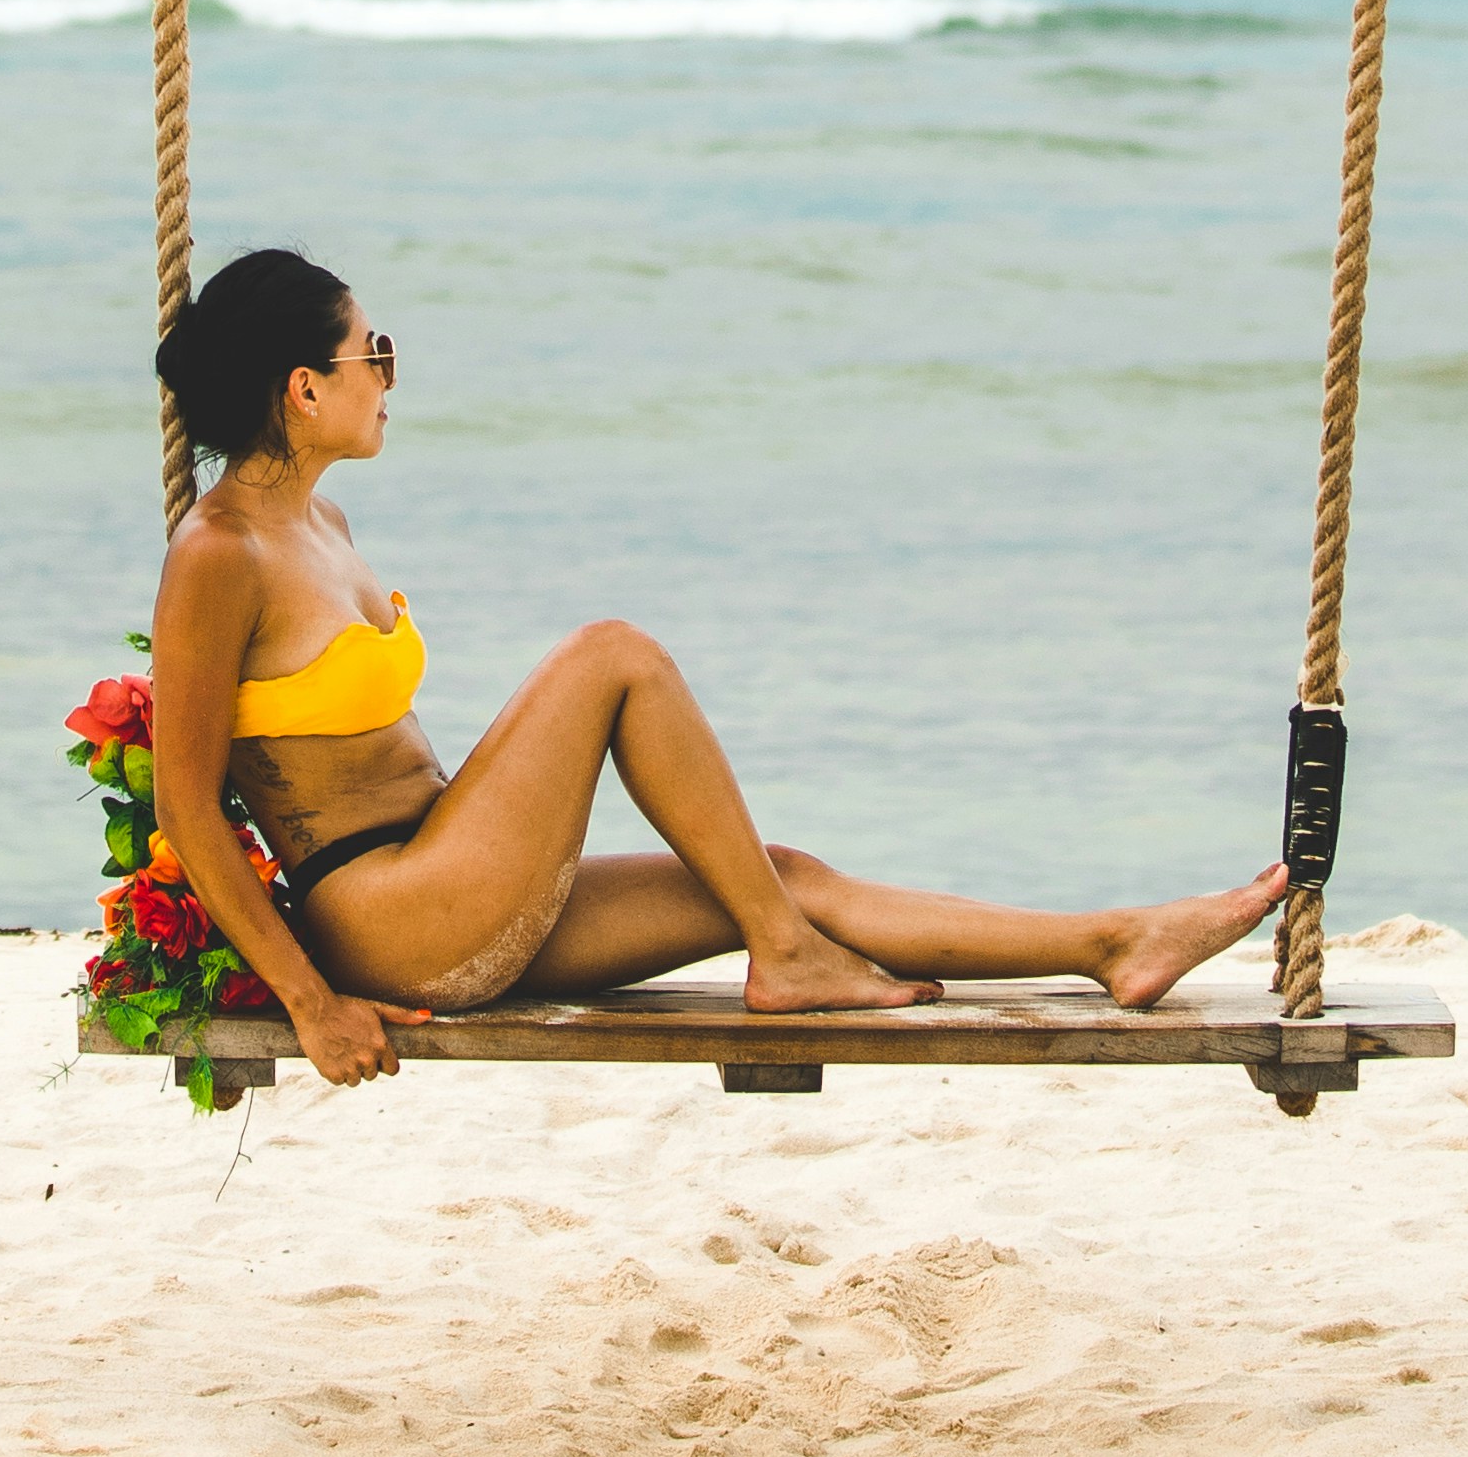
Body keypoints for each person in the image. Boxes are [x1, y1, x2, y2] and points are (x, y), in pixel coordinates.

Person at [144, 243, 1288, 1091]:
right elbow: (190, 805)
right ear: (304, 385)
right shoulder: (218, 553)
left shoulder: (324, 520)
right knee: (612, 654)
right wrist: (310, 1006)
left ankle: (1113, 942)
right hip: (387, 909)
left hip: (453, 869)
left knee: (778, 870)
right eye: (373, 353)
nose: (389, 375)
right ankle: (786, 956)